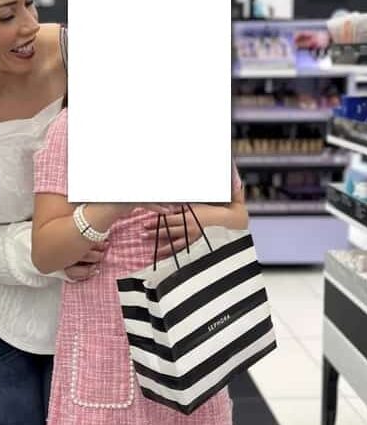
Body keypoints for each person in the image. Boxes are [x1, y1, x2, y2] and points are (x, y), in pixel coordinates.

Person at [0, 0, 236, 423]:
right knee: (15, 415)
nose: (30, 24)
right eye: (6, 16)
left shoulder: (82, 54)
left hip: (104, 293)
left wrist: (204, 218)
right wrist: (43, 252)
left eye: (29, 3)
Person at [31, 108, 247, 424]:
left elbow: (239, 216)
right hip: (108, 352)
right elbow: (45, 254)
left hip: (192, 344)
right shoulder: (75, 125)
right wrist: (113, 206)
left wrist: (206, 219)